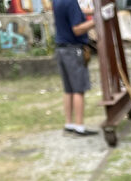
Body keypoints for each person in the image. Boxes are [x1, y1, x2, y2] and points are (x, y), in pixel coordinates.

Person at [53, 0, 97, 136]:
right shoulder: (71, 2)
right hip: (73, 50)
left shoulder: (57, 1)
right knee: (78, 89)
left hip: (61, 49)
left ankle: (69, 124)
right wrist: (98, 20)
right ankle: (79, 127)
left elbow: (73, 13)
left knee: (69, 90)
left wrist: (95, 12)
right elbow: (77, 29)